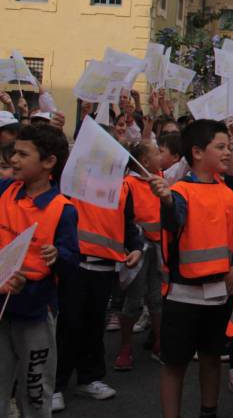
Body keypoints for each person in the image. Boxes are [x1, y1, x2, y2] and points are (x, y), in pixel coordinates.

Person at [148, 119, 233, 418]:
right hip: (183, 294)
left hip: (219, 294)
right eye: (221, 147)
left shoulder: (228, 193)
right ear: (197, 152)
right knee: (174, 363)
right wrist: (166, 200)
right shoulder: (179, 192)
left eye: (229, 147)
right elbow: (173, 221)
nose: (228, 152)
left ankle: (209, 411)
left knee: (211, 358)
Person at [54, 130, 144, 408]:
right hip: (74, 265)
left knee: (95, 326)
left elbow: (128, 223)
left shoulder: (123, 186)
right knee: (68, 326)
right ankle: (55, 384)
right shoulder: (71, 178)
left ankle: (88, 378)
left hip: (105, 267)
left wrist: (136, 246)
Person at [0, 125, 78, 418]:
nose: (14, 160)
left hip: (35, 310)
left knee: (34, 390)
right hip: (1, 305)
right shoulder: (4, 190)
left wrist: (58, 256)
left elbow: (72, 263)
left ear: (48, 163)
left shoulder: (62, 209)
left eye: (22, 154)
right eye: (12, 153)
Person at [115, 142, 165, 370]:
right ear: (144, 161)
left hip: (158, 247)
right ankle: (125, 347)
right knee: (134, 300)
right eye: (157, 153)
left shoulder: (159, 179)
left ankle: (158, 342)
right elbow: (124, 218)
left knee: (156, 297)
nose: (161, 156)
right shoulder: (129, 184)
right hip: (139, 250)